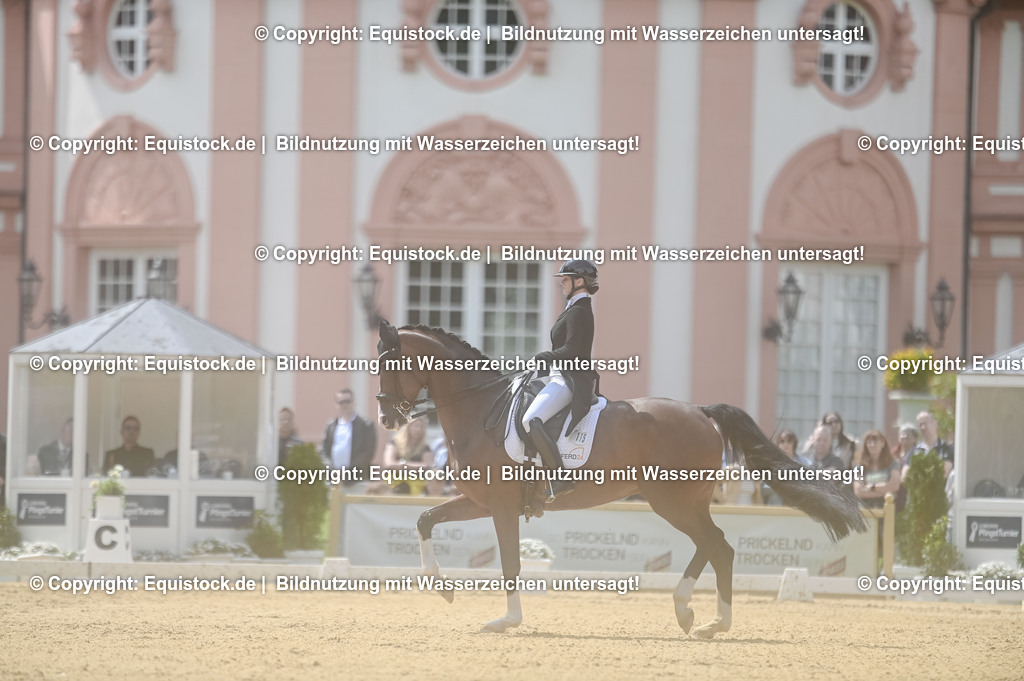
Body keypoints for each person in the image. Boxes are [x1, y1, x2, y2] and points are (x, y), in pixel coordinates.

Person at [523, 259, 599, 502]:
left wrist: (542, 356)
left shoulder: (579, 310)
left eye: (565, 279)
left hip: (570, 379)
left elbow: (572, 349)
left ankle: (560, 477)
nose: (562, 284)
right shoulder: (574, 308)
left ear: (580, 282)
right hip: (560, 375)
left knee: (531, 419)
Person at [322, 388, 377, 488]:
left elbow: (368, 452)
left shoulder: (366, 425)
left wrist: (349, 472)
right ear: (336, 405)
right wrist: (332, 470)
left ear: (354, 402)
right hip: (333, 480)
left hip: (357, 480)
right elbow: (324, 452)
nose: (345, 404)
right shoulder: (331, 426)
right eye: (341, 402)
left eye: (348, 401)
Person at [380, 417, 433, 495]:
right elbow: (389, 464)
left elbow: (426, 465)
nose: (419, 429)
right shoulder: (393, 443)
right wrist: (415, 467)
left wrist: (402, 465)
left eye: (421, 427)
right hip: (394, 484)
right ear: (408, 427)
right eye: (416, 426)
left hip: (417, 487)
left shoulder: (425, 448)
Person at [852, 430, 901, 508]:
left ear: (883, 443)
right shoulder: (860, 466)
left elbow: (895, 485)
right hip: (866, 509)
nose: (872, 445)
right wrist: (886, 491)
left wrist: (872, 487)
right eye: (868, 442)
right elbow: (858, 491)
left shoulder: (893, 463)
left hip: (887, 508)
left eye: (875, 441)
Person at [902, 411, 954, 480]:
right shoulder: (914, 451)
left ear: (935, 424)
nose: (923, 427)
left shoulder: (947, 449)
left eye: (926, 423)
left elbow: (943, 473)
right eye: (920, 425)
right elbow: (904, 477)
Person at [763, 429, 803, 505]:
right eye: (782, 441)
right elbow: (763, 489)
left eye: (789, 441)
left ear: (794, 444)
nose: (786, 445)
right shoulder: (769, 465)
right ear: (777, 445)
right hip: (775, 509)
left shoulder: (803, 463)